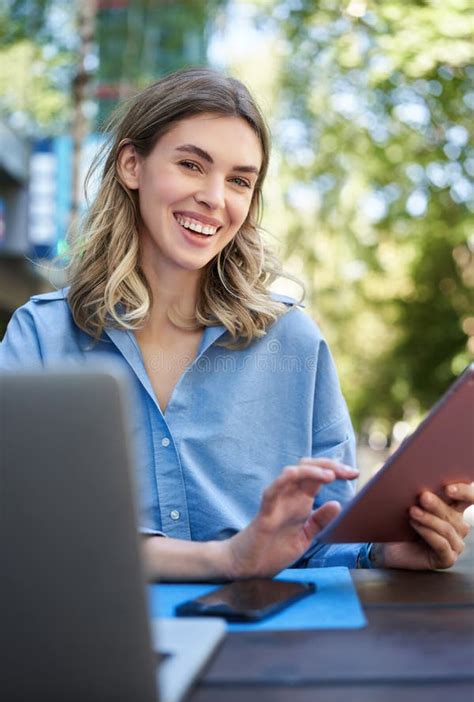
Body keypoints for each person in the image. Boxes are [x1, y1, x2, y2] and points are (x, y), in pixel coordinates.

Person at [1, 68, 472, 581]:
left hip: (264, 650)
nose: (215, 197)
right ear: (132, 165)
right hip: (85, 643)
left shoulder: (293, 343)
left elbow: (318, 541)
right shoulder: (41, 338)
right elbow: (22, 527)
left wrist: (379, 552)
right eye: (190, 165)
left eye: (240, 181)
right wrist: (224, 559)